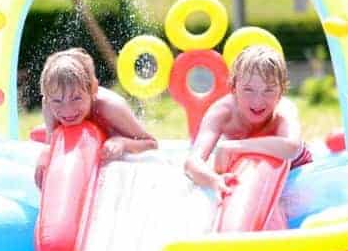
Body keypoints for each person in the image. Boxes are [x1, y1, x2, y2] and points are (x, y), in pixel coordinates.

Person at [183, 45, 311, 201]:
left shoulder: (284, 109)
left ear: (281, 91)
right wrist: (214, 180)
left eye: (269, 90)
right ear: (233, 88)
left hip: (294, 170)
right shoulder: (223, 113)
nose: (258, 101)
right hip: (249, 174)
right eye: (248, 90)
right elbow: (192, 163)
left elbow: (292, 147)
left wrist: (235, 147)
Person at [34, 48, 158, 188]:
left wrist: (122, 143)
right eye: (57, 101)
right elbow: (51, 142)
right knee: (34, 134)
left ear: (93, 90)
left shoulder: (110, 107)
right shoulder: (48, 104)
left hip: (110, 138)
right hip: (83, 142)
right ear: (47, 97)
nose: (67, 110)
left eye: (76, 98)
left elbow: (151, 143)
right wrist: (46, 154)